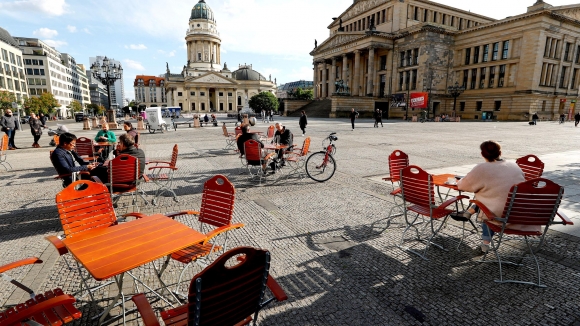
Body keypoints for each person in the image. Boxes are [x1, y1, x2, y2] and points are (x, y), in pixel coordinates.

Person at [455, 141, 526, 253]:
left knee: (486, 205)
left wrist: (459, 181)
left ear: (482, 154)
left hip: (499, 213)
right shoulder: (514, 165)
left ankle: (485, 244)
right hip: (519, 210)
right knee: (491, 196)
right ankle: (469, 211)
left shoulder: (482, 168)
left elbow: (464, 186)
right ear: (500, 152)